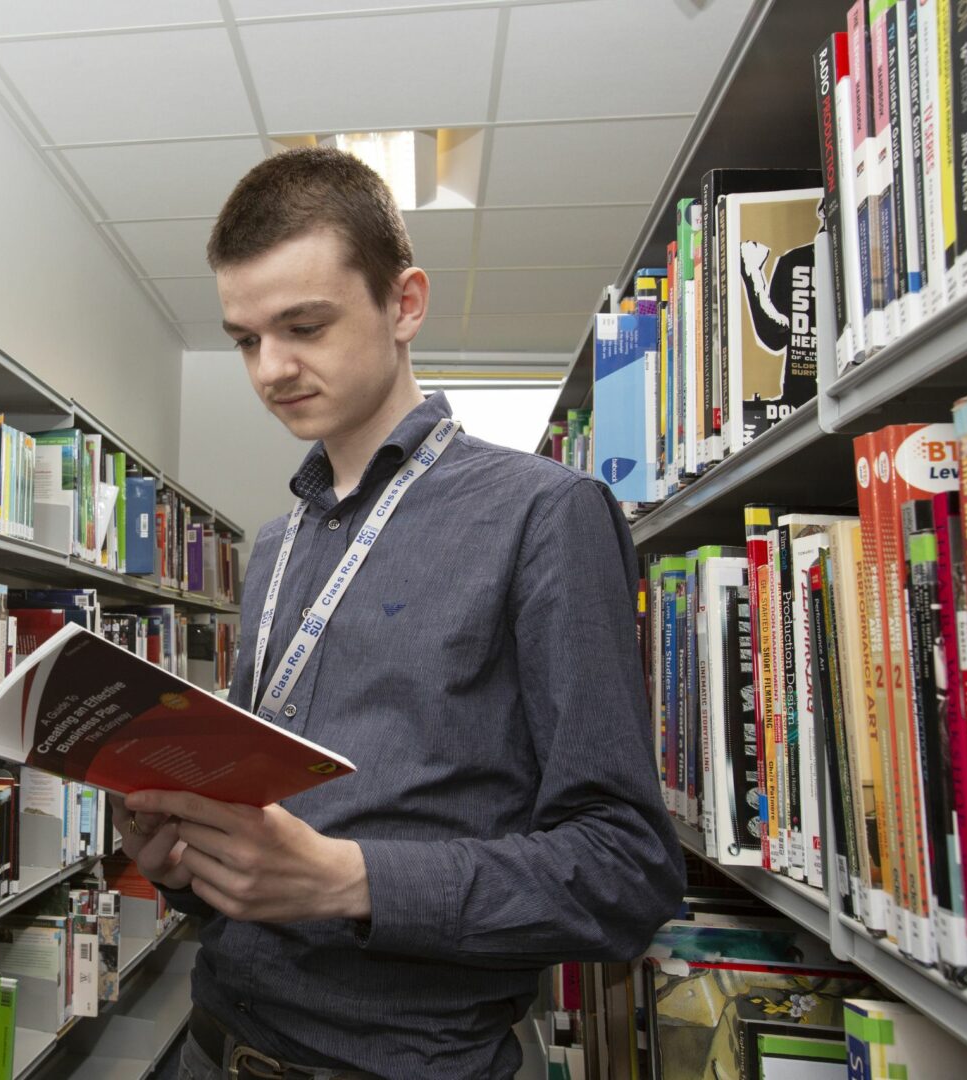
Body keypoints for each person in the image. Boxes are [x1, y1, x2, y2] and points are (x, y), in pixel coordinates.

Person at [116, 148, 684, 1079]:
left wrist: (351, 881)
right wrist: (194, 865)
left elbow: (626, 872)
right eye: (247, 339)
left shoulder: (545, 514)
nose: (273, 368)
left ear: (405, 303)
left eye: (304, 325)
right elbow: (267, 831)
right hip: (211, 1048)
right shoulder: (274, 545)